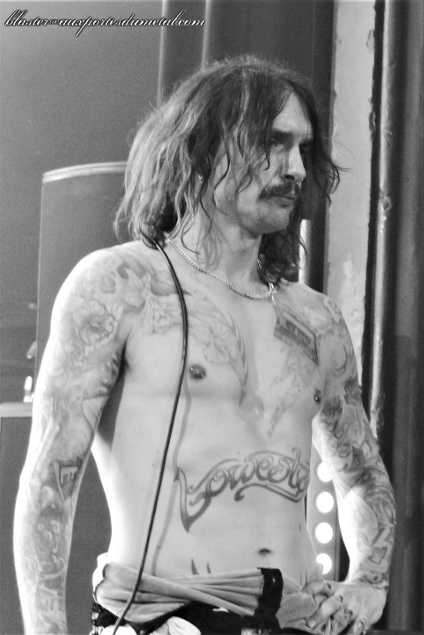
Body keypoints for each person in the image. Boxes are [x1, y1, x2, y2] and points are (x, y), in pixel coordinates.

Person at [14, 56, 395, 635]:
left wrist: (369, 581)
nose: (295, 168)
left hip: (295, 617)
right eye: (273, 143)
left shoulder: (316, 319)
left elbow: (362, 474)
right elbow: (50, 483)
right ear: (203, 148)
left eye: (302, 149)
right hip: (164, 617)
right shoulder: (120, 286)